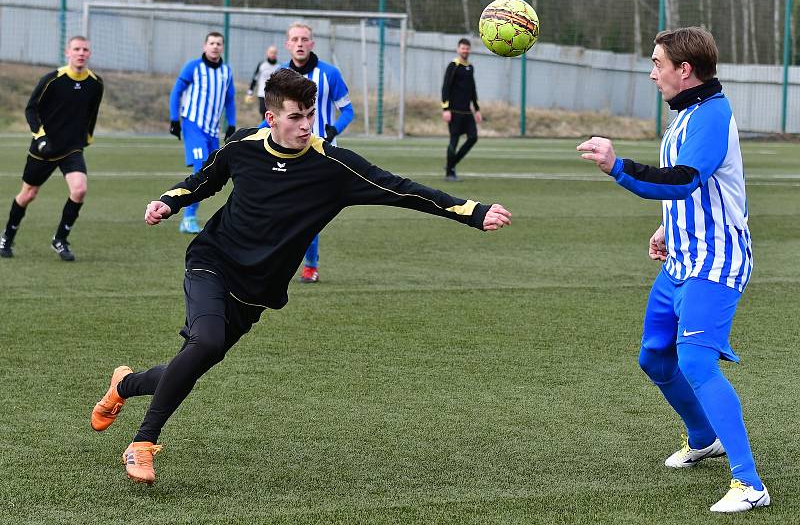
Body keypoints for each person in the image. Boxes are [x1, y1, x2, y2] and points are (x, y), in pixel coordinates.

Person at [90, 68, 511, 485]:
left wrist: (471, 211)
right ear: (271, 118)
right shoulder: (242, 145)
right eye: (295, 116)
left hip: (258, 289)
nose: (306, 125)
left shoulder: (333, 166)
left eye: (310, 114)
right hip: (212, 261)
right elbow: (204, 180)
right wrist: (168, 202)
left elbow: (402, 189)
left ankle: (124, 385)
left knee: (194, 362)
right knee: (206, 342)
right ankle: (142, 444)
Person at [578, 27, 767, 513]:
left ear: (685, 71)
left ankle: (750, 484)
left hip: (715, 260)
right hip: (681, 257)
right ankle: (704, 436)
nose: (652, 72)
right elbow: (692, 192)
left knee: (696, 362)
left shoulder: (712, 114)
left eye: (658, 63)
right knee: (655, 358)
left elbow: (683, 181)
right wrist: (666, 227)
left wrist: (619, 168)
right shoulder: (688, 114)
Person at [0, 35, 103, 261]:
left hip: (72, 148)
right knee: (28, 194)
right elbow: (31, 109)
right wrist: (40, 137)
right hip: (44, 148)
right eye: (76, 49)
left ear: (89, 54)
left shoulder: (96, 83)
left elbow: (92, 112)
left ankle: (60, 239)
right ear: (68, 53)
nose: (81, 53)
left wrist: (87, 138)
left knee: (79, 189)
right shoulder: (52, 79)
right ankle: (7, 236)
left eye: (85, 49)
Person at [283, 22, 355, 283]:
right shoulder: (280, 76)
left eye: (305, 39)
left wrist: (334, 129)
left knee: (308, 212)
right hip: (286, 153)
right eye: (295, 39)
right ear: (288, 44)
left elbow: (348, 110)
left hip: (319, 155)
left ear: (312, 44)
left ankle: (310, 266)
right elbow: (271, 119)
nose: (300, 43)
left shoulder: (330, 74)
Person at [169, 31, 236, 235]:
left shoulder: (226, 72)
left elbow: (230, 100)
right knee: (200, 168)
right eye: (211, 43)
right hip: (193, 125)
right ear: (205, 46)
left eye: (218, 43)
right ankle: (188, 218)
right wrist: (174, 119)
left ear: (222, 47)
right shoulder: (193, 67)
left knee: (213, 172)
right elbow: (176, 91)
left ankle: (196, 215)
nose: (215, 46)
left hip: (212, 130)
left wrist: (231, 124)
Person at [441, 38, 481, 181]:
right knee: (454, 140)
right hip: (454, 111)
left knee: (473, 137)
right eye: (463, 48)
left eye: (467, 48)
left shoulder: (470, 67)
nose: (465, 51)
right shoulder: (453, 65)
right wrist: (445, 108)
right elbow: (445, 87)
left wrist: (477, 109)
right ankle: (449, 173)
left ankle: (451, 164)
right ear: (458, 49)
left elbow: (472, 89)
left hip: (467, 111)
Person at [246, 45, 279, 116]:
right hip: (262, 94)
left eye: (274, 53)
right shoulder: (262, 65)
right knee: (264, 114)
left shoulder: (279, 67)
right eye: (271, 52)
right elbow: (255, 78)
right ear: (267, 53)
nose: (273, 54)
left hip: (274, 95)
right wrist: (250, 92)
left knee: (273, 115)